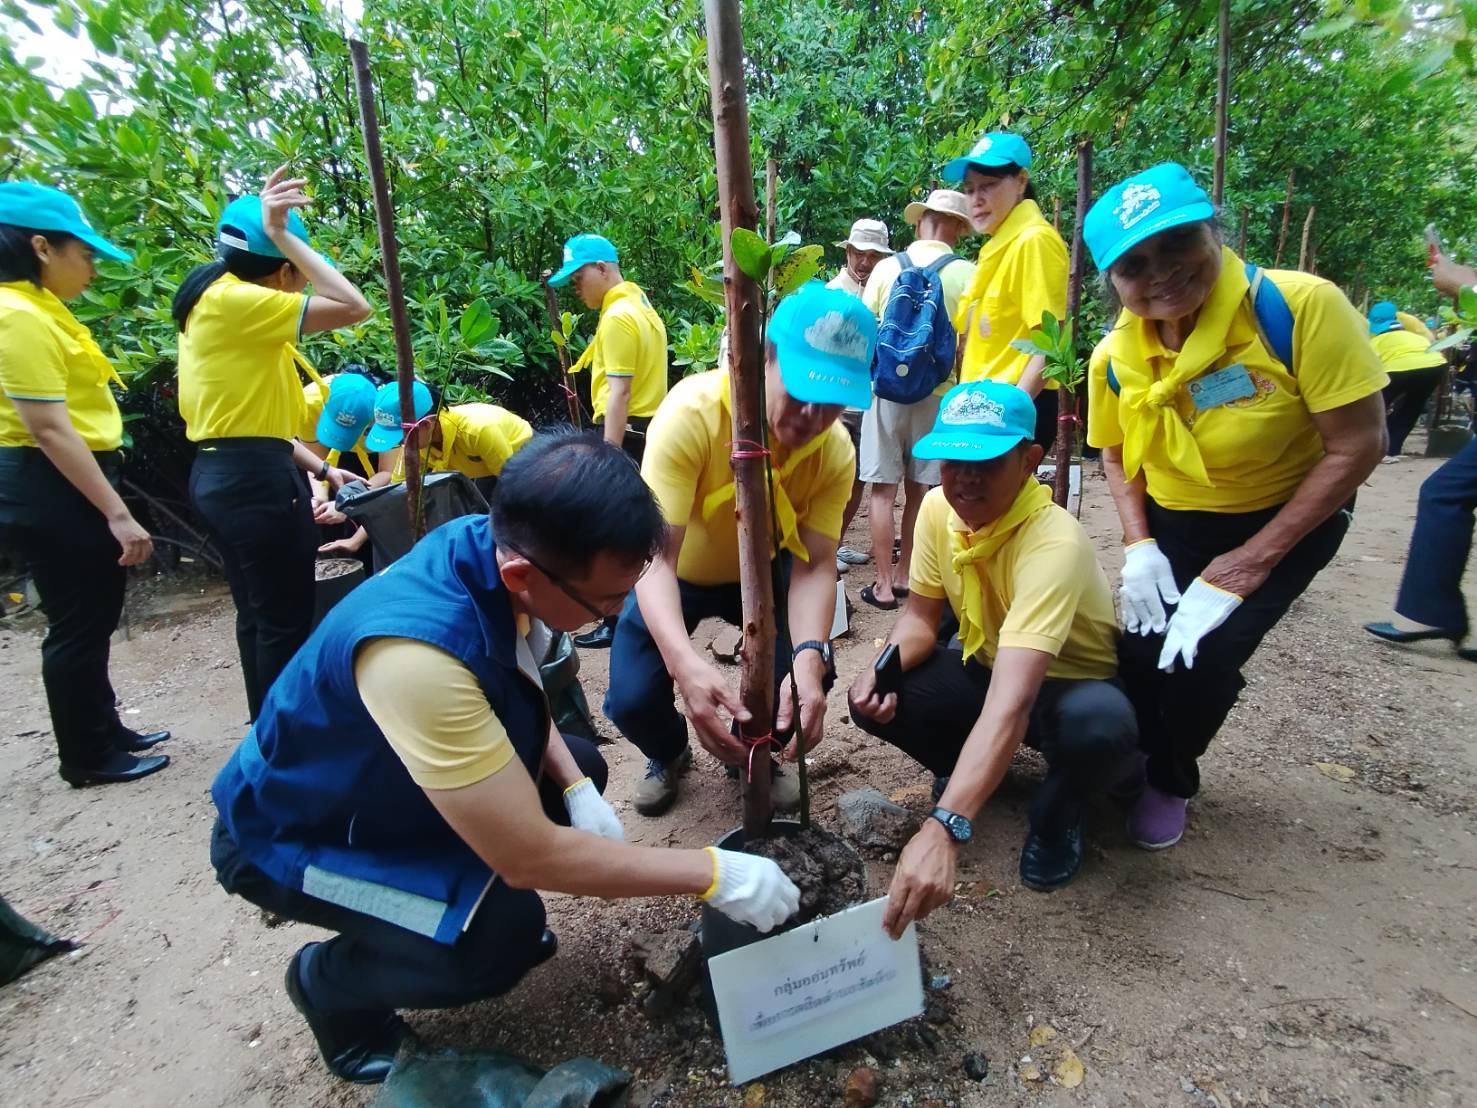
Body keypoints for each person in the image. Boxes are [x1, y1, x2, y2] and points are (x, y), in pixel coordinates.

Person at [210, 432, 800, 1085]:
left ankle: (455, 897)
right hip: (299, 830)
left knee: (583, 766)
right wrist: (711, 873)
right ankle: (330, 990)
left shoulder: (491, 548)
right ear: (524, 574)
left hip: (391, 787)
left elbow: (511, 676)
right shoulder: (417, 658)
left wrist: (575, 786)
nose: (619, 609)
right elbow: (527, 857)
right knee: (497, 944)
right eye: (606, 602)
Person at [1083, 163, 1387, 850]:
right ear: (1113, 283)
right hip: (1172, 521)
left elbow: (1359, 443)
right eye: (1134, 266)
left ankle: (1169, 777)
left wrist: (1249, 563)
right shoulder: (1112, 357)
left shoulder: (1297, 307)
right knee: (1137, 649)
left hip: (1283, 517)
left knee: (1203, 658)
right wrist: (1138, 546)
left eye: (1176, 244)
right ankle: (1128, 755)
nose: (1160, 273)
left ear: (1212, 231)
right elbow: (1114, 454)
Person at [850, 382, 1138, 926]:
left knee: (1097, 727)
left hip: (1067, 685)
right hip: (990, 666)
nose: (966, 477)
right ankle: (980, 774)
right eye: (954, 459)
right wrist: (878, 668)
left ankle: (1060, 812)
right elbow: (919, 619)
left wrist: (945, 827)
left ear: (1030, 461)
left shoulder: (1053, 542)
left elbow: (1013, 700)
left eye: (986, 459)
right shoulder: (938, 510)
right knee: (884, 693)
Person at [605, 284, 875, 816]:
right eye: (800, 391)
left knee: (791, 689)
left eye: (832, 404)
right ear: (762, 360)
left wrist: (808, 659)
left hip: (767, 571)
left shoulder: (835, 453)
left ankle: (750, 753)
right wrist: (684, 666)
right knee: (633, 698)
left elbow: (817, 565)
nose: (811, 418)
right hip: (676, 571)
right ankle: (669, 752)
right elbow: (654, 557)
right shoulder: (693, 415)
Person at [173, 167, 372, 723]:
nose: (304, 284)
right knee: (284, 617)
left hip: (226, 470)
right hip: (253, 482)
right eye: (297, 272)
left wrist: (324, 470)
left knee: (258, 615)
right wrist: (286, 234)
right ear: (284, 271)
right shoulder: (240, 302)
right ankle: (288, 739)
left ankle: (268, 727)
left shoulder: (210, 297)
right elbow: (356, 306)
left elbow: (255, 425)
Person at [0, 183, 171, 786]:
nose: (91, 266)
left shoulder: (39, 308)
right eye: (86, 253)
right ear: (42, 247)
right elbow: (48, 427)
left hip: (64, 478)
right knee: (78, 622)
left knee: (92, 615)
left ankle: (104, 728)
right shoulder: (16, 316)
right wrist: (117, 513)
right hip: (52, 481)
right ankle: (88, 757)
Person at [857, 189, 977, 610]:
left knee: (881, 491)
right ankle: (909, 574)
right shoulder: (968, 273)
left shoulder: (887, 267)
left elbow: (866, 330)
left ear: (920, 220)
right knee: (921, 490)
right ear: (958, 228)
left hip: (886, 392)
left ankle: (883, 585)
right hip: (939, 393)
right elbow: (966, 346)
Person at [549, 232, 668, 648]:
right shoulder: (641, 306)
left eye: (578, 276)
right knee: (636, 534)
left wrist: (609, 455)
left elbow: (619, 391)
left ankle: (621, 622)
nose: (576, 288)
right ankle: (634, 617)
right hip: (648, 428)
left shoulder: (618, 317)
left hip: (627, 434)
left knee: (616, 534)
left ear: (602, 268)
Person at [1364, 252, 1477, 661]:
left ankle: (1428, 610)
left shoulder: (1378, 334)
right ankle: (1428, 610)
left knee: (1444, 492)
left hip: (1399, 368)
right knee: (1444, 489)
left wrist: (1469, 289)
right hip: (1431, 365)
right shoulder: (1410, 328)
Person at [944, 132, 1069, 447]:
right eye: (970, 190)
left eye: (988, 185)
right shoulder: (998, 247)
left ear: (1021, 181)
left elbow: (1051, 341)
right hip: (983, 407)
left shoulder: (1034, 240)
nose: (976, 199)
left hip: (1012, 410)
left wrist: (1013, 418)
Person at [829, 218, 895, 570]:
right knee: (833, 478)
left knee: (857, 479)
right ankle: (823, 549)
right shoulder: (834, 293)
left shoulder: (885, 290)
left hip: (868, 400)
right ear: (849, 252)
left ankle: (836, 544)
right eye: (860, 253)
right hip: (838, 401)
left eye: (873, 255)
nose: (865, 262)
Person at [1367, 300, 1447, 459]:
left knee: (1377, 409)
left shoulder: (1375, 341)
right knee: (1412, 408)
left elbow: (1369, 365)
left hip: (1398, 369)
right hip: (1434, 367)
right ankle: (1393, 449)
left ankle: (1373, 449)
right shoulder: (1415, 336)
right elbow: (1432, 345)